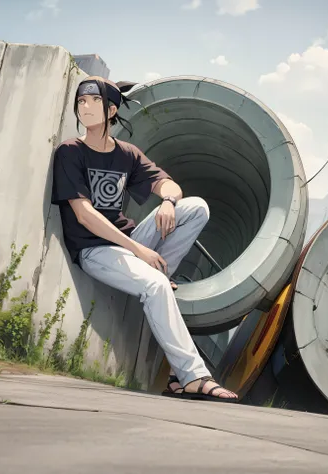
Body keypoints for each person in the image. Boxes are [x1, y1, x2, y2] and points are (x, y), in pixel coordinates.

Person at [51, 76, 238, 402]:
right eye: (81, 101)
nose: (85, 107)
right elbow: (84, 215)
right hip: (94, 249)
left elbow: (170, 186)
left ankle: (162, 273)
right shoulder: (70, 152)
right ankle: (191, 377)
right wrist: (139, 250)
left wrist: (167, 201)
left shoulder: (127, 154)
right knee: (154, 285)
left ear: (110, 109)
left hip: (130, 241)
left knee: (195, 208)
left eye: (93, 101)